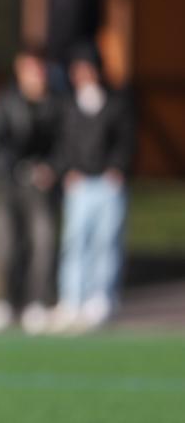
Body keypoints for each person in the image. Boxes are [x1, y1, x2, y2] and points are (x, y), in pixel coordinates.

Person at [0, 48, 63, 334]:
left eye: (38, 70)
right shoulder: (5, 102)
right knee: (5, 244)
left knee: (43, 243)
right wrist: (15, 169)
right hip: (9, 185)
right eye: (29, 70)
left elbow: (64, 144)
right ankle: (5, 301)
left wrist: (49, 169)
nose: (35, 76)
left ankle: (38, 301)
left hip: (43, 187)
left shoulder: (57, 104)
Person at [50, 45, 135, 332]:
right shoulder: (69, 105)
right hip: (80, 184)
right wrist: (68, 170)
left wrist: (117, 168)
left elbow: (125, 141)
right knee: (75, 242)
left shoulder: (116, 103)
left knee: (106, 241)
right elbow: (63, 143)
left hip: (108, 184)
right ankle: (72, 297)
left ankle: (101, 297)